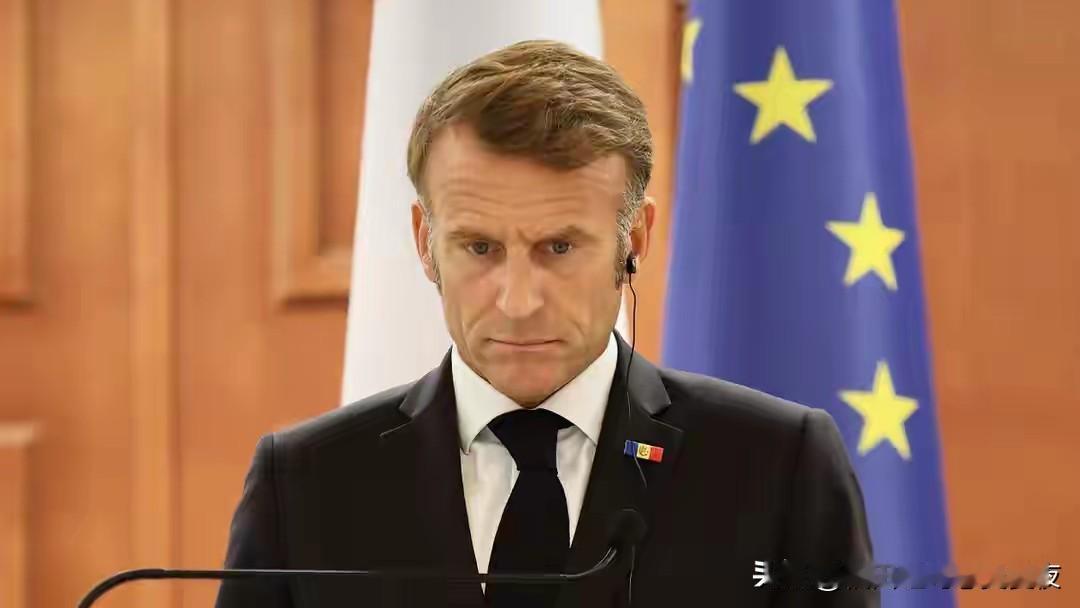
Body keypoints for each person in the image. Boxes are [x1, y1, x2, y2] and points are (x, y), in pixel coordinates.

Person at [216, 40, 878, 608]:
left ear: (634, 239)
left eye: (559, 247)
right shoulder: (305, 483)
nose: (517, 301)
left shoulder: (776, 465)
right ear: (425, 241)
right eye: (480, 247)